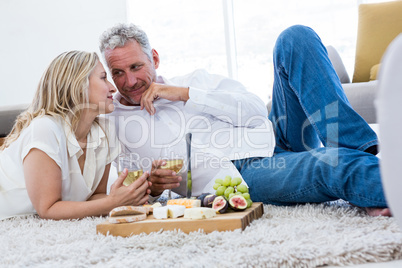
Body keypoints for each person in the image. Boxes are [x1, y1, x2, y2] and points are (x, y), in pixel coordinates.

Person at [100, 23, 390, 216]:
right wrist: (156, 188)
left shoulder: (192, 81)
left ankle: (362, 151)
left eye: (136, 66)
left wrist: (187, 94)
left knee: (295, 38)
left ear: (154, 58)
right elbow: (139, 194)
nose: (130, 81)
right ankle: (379, 183)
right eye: (118, 73)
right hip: (243, 175)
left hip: (272, 133)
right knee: (334, 164)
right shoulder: (116, 124)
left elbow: (253, 109)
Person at [0, 51, 151, 221]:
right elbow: (47, 209)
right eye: (103, 78)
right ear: (79, 86)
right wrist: (111, 203)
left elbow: (95, 198)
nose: (112, 87)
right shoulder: (44, 128)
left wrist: (131, 196)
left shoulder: (106, 131)